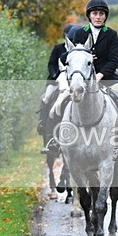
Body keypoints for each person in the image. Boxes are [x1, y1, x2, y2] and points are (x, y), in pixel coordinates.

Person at [49, 0, 118, 121]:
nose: (98, 17)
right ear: (89, 16)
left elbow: (113, 60)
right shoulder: (80, 33)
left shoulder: (111, 34)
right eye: (95, 13)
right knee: (59, 105)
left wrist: (100, 75)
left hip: (108, 79)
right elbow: (71, 55)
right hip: (81, 79)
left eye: (101, 14)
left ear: (105, 16)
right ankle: (57, 136)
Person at [39, 23, 79, 152]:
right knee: (46, 98)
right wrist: (55, 74)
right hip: (55, 81)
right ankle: (43, 124)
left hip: (72, 81)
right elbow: (51, 64)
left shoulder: (80, 50)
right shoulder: (58, 48)